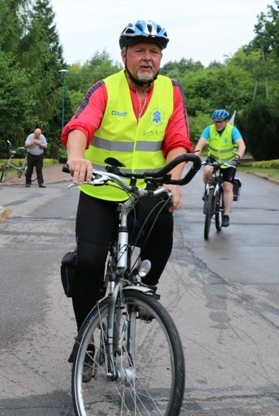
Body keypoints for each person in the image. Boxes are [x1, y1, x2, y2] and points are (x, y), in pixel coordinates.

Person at [61, 20, 193, 380]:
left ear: (160, 57)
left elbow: (177, 140)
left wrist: (174, 182)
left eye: (154, 51)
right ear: (125, 55)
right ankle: (86, 343)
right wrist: (77, 157)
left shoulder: (171, 91)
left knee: (162, 230)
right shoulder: (105, 89)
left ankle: (143, 291)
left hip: (147, 188)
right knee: (88, 263)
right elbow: (79, 127)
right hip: (102, 188)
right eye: (139, 51)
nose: (147, 58)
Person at [193, 109, 246, 227]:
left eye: (220, 122)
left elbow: (241, 145)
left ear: (226, 121)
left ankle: (226, 215)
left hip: (229, 160)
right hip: (214, 158)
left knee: (227, 186)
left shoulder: (232, 130)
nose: (218, 124)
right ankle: (208, 190)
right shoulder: (209, 129)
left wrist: (238, 157)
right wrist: (195, 157)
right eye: (216, 121)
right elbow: (200, 145)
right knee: (207, 170)